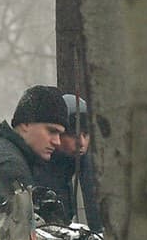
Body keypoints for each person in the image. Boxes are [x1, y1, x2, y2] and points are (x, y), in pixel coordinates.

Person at [0, 85, 69, 214]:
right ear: (26, 123)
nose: (57, 141)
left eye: (60, 134)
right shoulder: (10, 169)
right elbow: (7, 231)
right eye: (51, 131)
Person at [33, 93, 102, 229]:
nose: (81, 142)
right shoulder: (37, 171)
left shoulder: (96, 172)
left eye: (85, 134)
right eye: (73, 135)